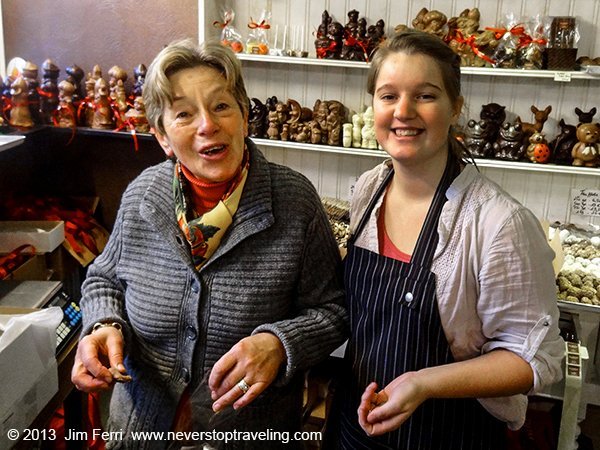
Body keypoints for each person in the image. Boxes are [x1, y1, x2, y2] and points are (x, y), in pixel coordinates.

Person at [71, 38, 348, 449]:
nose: (207, 125)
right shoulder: (143, 195)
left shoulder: (294, 201)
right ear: (163, 136)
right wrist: (101, 325)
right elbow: (104, 279)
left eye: (221, 106)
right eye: (184, 113)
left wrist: (278, 343)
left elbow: (334, 309)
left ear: (244, 117)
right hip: (141, 431)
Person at [329, 30, 564, 449]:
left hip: (447, 433)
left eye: (425, 96)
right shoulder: (369, 188)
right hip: (355, 424)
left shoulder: (497, 223)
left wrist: (423, 383)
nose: (403, 111)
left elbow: (535, 359)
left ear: (455, 106)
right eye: (388, 96)